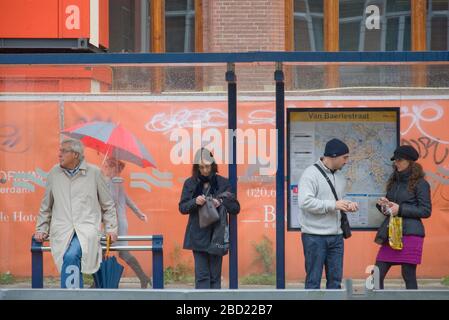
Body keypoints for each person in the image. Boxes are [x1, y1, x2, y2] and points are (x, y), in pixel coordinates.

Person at [34, 138, 118, 289]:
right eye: (59, 150)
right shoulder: (54, 173)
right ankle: (79, 292)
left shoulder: (95, 173)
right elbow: (46, 205)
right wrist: (41, 228)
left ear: (76, 155)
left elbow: (108, 205)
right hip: (62, 229)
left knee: (71, 256)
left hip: (87, 228)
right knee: (72, 257)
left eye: (63, 151)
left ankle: (71, 295)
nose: (59, 154)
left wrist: (111, 228)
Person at [298, 138, 358, 289]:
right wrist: (334, 205)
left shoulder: (339, 176)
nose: (346, 161)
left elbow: (337, 200)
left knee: (335, 283)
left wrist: (347, 204)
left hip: (337, 236)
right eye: (345, 157)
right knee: (313, 282)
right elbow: (305, 202)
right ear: (334, 155)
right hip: (314, 236)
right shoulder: (310, 174)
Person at [178, 148, 240, 289]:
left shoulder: (223, 182)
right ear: (196, 167)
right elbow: (182, 207)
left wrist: (221, 202)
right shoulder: (190, 183)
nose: (204, 170)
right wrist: (195, 201)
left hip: (216, 236)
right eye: (201, 167)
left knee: (214, 277)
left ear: (213, 164)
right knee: (202, 277)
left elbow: (236, 208)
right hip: (198, 236)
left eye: (207, 166)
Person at [374, 145, 431, 289]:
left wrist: (401, 209)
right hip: (392, 233)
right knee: (376, 274)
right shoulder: (394, 182)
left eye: (399, 160)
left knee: (408, 274)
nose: (396, 163)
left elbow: (425, 211)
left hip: (411, 234)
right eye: (395, 160)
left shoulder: (421, 184)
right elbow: (391, 210)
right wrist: (383, 205)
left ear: (410, 162)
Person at [102, 157, 151, 288]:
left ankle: (98, 281)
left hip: (116, 224)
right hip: (116, 223)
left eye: (106, 166)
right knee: (106, 250)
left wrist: (103, 184)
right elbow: (129, 201)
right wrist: (140, 214)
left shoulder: (114, 182)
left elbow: (110, 201)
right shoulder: (116, 183)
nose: (104, 169)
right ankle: (143, 277)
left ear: (113, 169)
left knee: (114, 251)